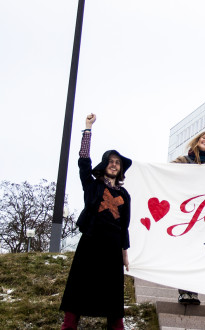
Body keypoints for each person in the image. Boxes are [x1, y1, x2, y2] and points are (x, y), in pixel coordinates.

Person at [60, 113, 132, 330]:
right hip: (91, 240)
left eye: (117, 163)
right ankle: (69, 324)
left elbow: (125, 225)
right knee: (79, 283)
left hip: (112, 245)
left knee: (112, 289)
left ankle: (116, 327)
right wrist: (87, 129)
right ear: (104, 165)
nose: (114, 165)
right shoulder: (93, 185)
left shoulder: (125, 194)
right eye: (110, 161)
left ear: (121, 169)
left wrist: (124, 251)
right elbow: (83, 161)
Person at [172, 130, 205, 305]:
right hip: (186, 214)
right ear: (197, 140)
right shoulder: (184, 161)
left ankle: (194, 292)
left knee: (198, 253)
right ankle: (184, 291)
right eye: (204, 138)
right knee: (185, 252)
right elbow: (166, 170)